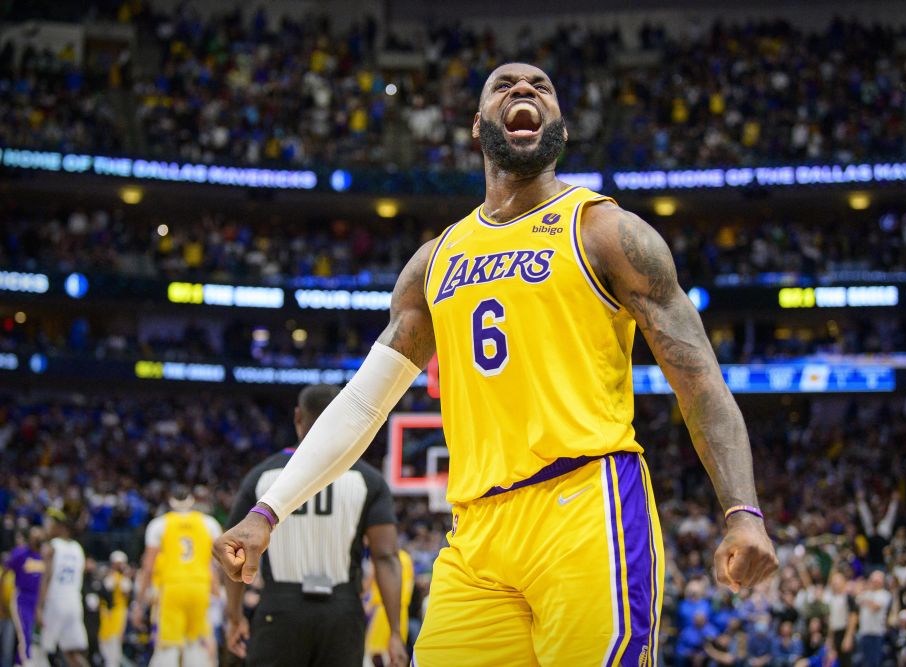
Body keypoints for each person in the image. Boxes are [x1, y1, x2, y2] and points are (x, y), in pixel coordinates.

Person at [215, 62, 779, 665]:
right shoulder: (434, 262)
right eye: (504, 84)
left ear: (560, 124)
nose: (525, 89)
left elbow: (699, 382)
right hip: (477, 533)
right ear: (477, 124)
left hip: (585, 507)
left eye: (542, 86)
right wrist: (268, 511)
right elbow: (363, 401)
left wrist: (742, 511)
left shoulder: (606, 232)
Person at [223, 384, 406, 667]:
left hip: (280, 609)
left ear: (298, 417)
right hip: (342, 611)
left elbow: (233, 552)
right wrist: (395, 631)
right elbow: (386, 556)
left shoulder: (262, 475)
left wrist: (234, 617)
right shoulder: (368, 479)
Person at [135, 487, 222, 667]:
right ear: (192, 500)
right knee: (197, 644)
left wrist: (139, 601)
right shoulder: (209, 523)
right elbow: (216, 563)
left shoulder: (159, 524)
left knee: (168, 646)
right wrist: (217, 590)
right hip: (200, 586)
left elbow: (148, 566)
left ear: (170, 501)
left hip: (172, 587)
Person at [36, 508, 90, 667]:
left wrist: (39, 606)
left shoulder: (51, 547)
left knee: (42, 651)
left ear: (61, 527)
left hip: (55, 602)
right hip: (74, 603)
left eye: (51, 524)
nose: (48, 527)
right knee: (73, 653)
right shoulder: (78, 549)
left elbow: (46, 577)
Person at [4, 527, 44, 665]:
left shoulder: (45, 555)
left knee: (37, 638)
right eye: (34, 535)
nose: (37, 538)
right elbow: (5, 569)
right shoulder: (21, 553)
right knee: (25, 634)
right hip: (22, 598)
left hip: (39, 601)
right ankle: (23, 663)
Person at [98, 551, 132, 667]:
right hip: (107, 613)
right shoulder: (108, 577)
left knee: (116, 641)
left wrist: (125, 576)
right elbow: (106, 590)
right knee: (105, 640)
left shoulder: (125, 579)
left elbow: (126, 593)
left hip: (119, 612)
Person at [856, 571, 892, 667]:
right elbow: (857, 599)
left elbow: (875, 607)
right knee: (863, 661)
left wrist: (865, 599)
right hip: (864, 632)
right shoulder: (867, 593)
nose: (874, 582)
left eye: (877, 580)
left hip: (876, 633)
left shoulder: (884, 594)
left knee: (874, 662)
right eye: (873, 580)